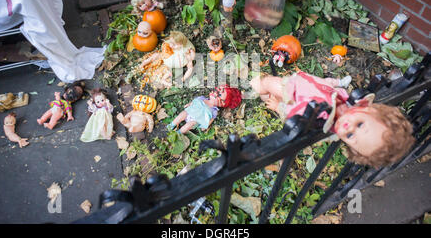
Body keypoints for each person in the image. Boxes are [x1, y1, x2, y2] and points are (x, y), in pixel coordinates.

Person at [250, 72, 415, 168]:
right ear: (370, 110)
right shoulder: (355, 102)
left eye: (349, 136)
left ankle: (263, 87)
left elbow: (296, 117)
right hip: (312, 85)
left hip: (293, 92)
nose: (348, 126)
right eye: (359, 124)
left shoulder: (323, 120)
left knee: (265, 84)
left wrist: (279, 107)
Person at [167, 84, 242, 134]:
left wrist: (204, 126)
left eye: (219, 95)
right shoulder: (202, 98)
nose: (215, 93)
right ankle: (172, 124)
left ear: (222, 104)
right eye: (217, 89)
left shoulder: (214, 111)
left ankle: (179, 133)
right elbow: (194, 102)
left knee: (188, 125)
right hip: (190, 112)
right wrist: (189, 104)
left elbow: (211, 120)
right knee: (182, 114)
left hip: (195, 120)